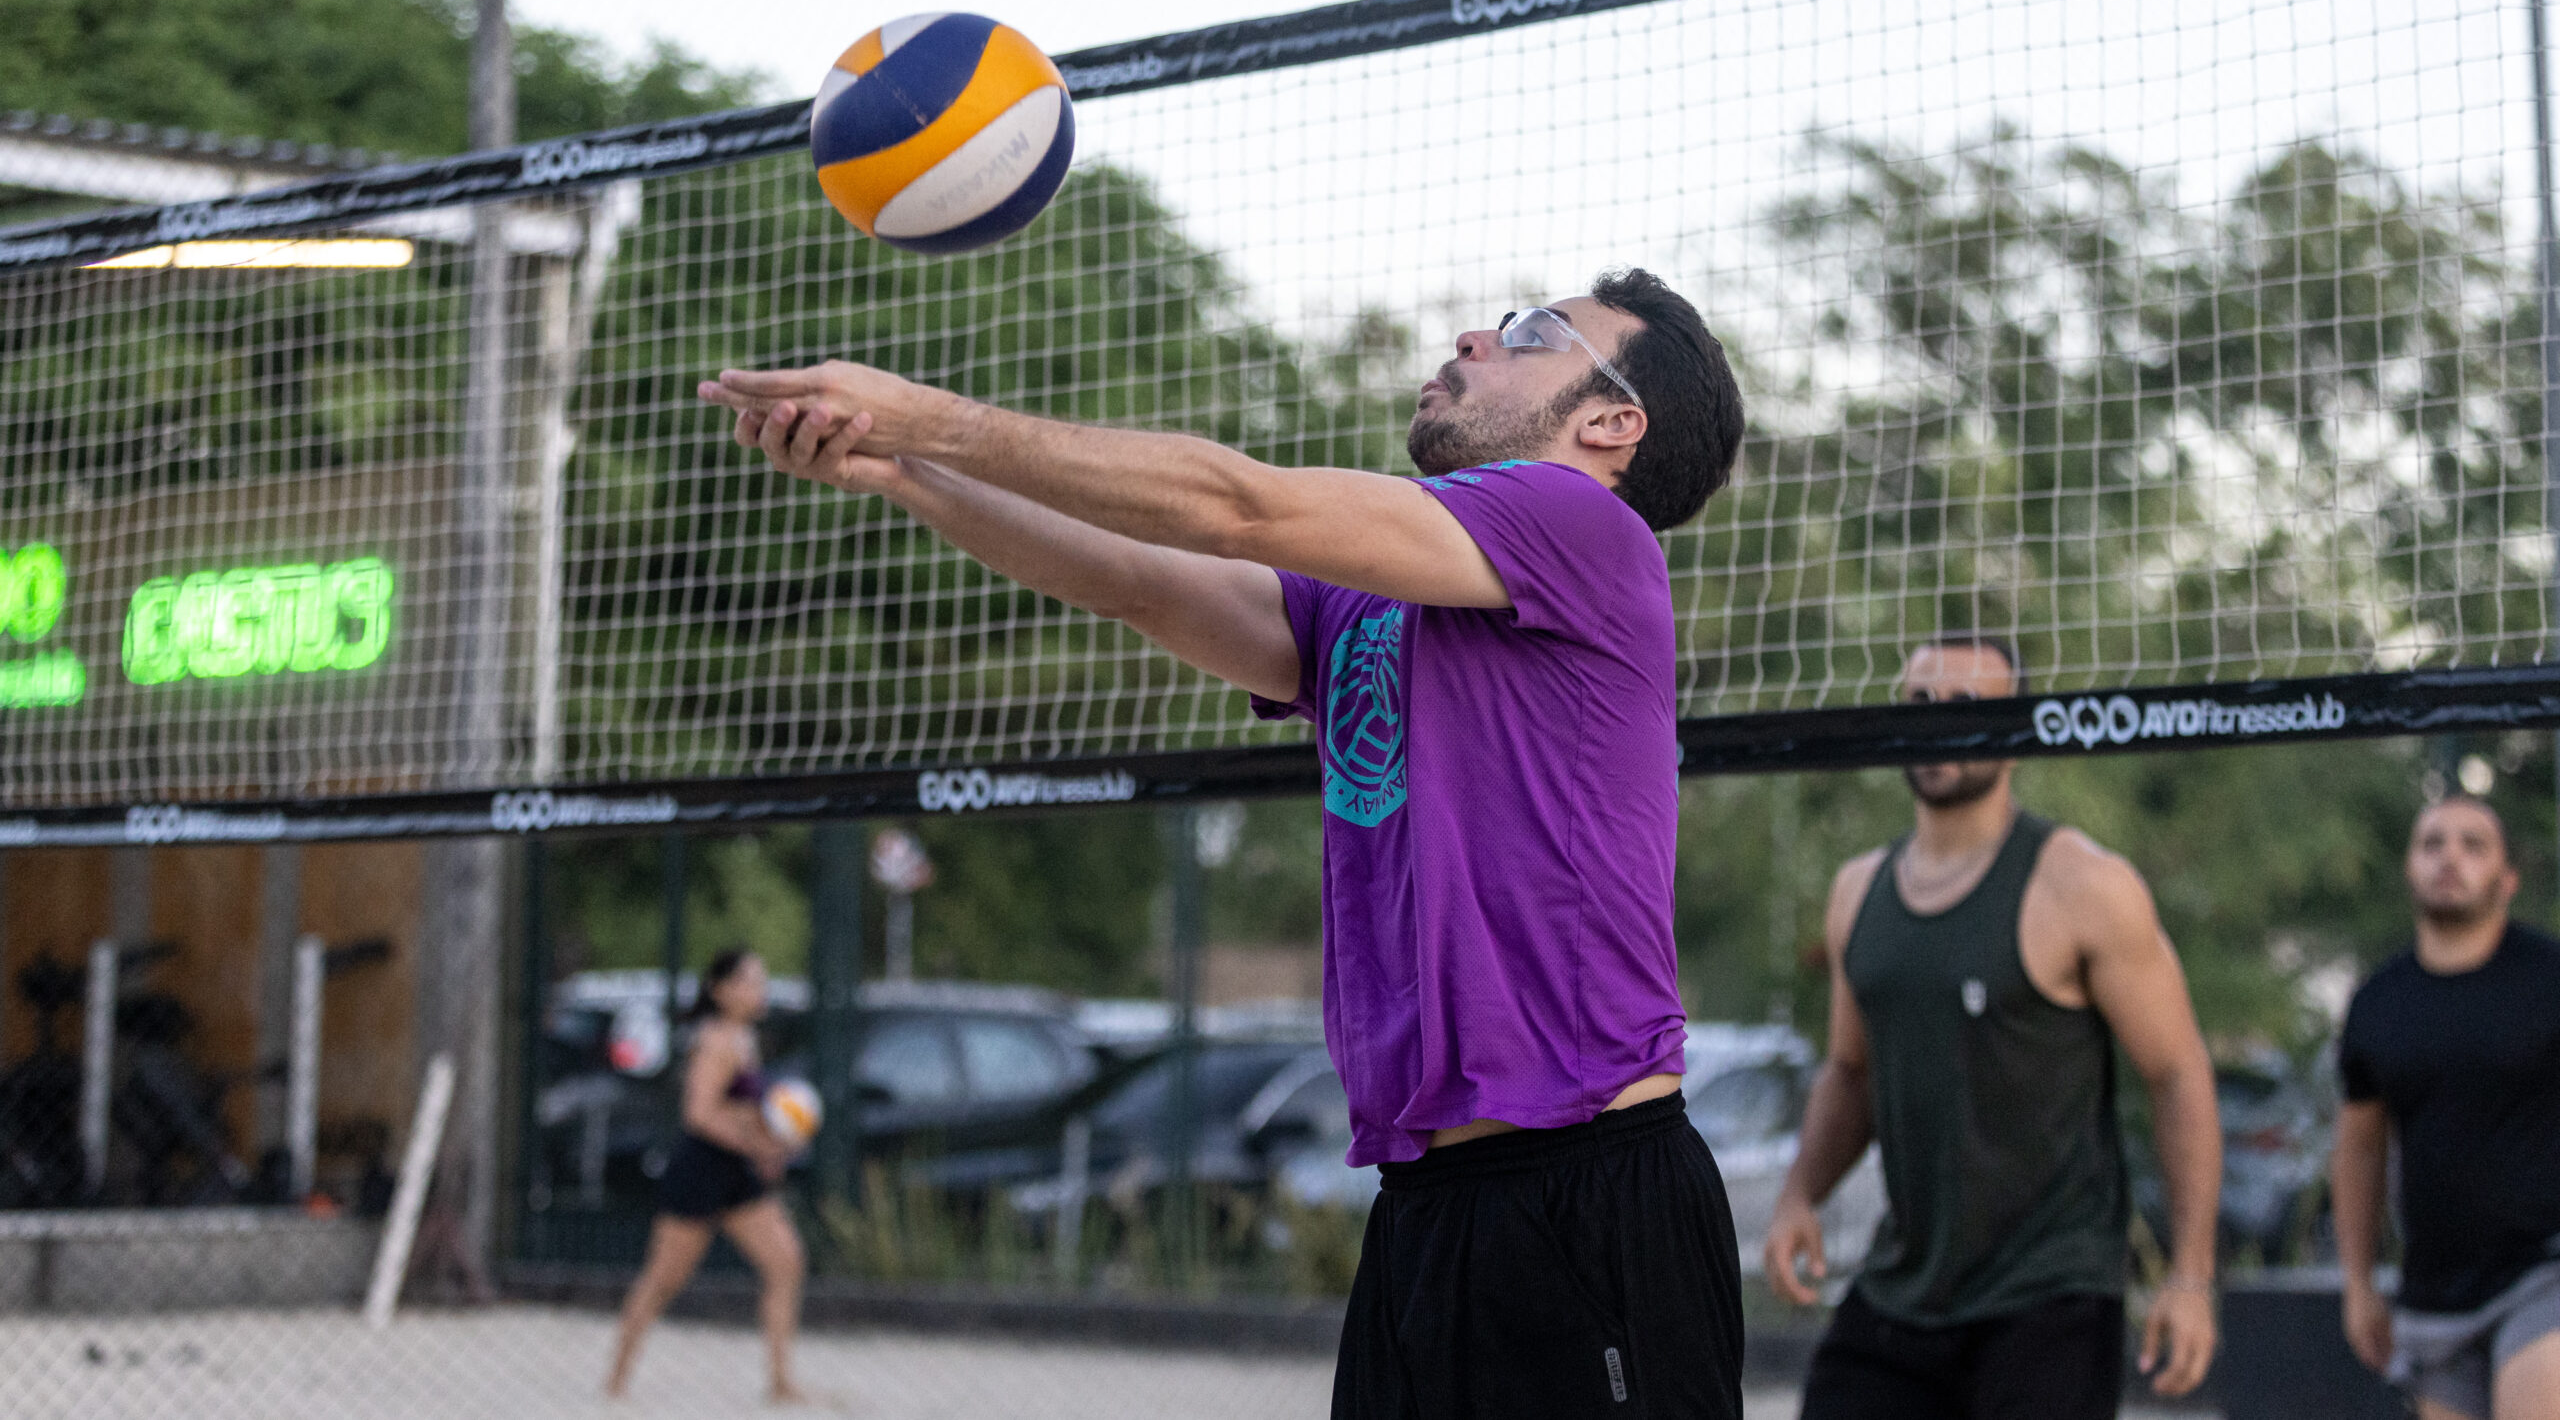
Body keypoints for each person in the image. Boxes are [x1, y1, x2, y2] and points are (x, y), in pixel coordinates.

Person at [700, 268, 1750, 1418]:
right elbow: (1135, 579)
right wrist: (904, 470)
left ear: (1610, 423)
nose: (1475, 338)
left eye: (1533, 336)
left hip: (1589, 1190)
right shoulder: (1380, 600)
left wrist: (933, 416)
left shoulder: (1585, 527)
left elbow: (1237, 504)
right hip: (1431, 1203)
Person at [1763, 635, 2223, 1420]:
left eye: (1967, 706)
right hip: (1903, 1288)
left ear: (2018, 729)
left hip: (2049, 1292)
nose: (1938, 722)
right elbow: (1851, 1071)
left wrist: (2188, 1277)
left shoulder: (2085, 884)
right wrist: (1799, 1194)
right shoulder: (1856, 890)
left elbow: (2178, 1074)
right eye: (1919, 704)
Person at [2333, 794, 2560, 1420]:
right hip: (2435, 1292)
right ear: (2409, 866)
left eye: (2473, 844)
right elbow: (2360, 1144)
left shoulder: (2547, 978)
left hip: (2543, 1273)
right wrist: (2358, 1284)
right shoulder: (2380, 1001)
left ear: (2508, 878)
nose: (2450, 857)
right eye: (2433, 843)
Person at [607, 948, 807, 1403]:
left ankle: (781, 1383)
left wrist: (773, 1141)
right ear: (721, 990)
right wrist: (757, 1145)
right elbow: (700, 1114)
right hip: (701, 1168)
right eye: (751, 981)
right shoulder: (715, 1040)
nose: (761, 990)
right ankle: (616, 1380)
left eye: (762, 981)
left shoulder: (745, 1038)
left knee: (786, 1262)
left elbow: (743, 1111)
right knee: (663, 1280)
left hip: (736, 1169)